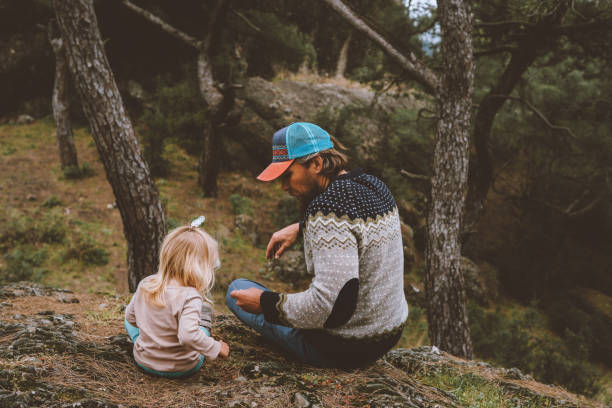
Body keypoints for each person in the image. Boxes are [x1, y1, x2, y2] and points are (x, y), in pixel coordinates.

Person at [227, 122, 408, 368]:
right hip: (387, 334)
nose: (283, 187)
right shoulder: (374, 186)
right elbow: (356, 228)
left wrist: (266, 304)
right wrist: (301, 227)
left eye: (288, 175)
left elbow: (328, 307)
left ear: (317, 164)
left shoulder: (326, 211)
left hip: (343, 348)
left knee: (236, 289)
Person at [125, 225, 230, 378]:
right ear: (200, 267)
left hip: (144, 362)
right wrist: (216, 347)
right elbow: (188, 336)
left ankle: (145, 346)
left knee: (128, 322)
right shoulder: (191, 296)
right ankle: (204, 321)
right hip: (183, 367)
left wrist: (152, 330)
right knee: (201, 329)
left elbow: (130, 318)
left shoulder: (146, 284)